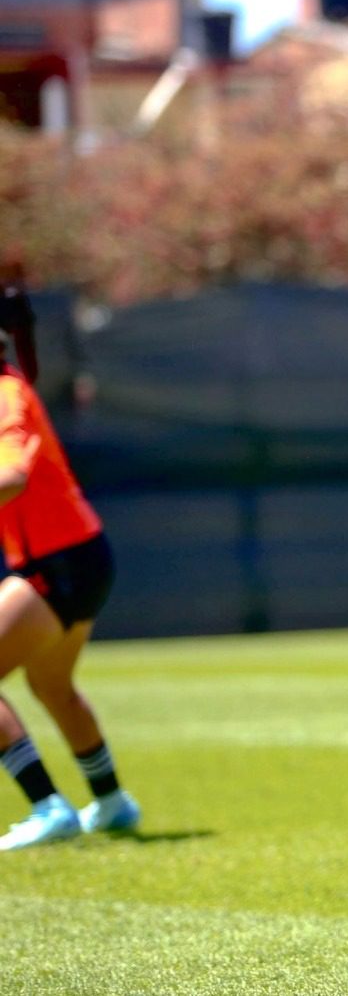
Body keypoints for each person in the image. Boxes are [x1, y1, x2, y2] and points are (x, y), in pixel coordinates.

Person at [0, 280, 138, 851]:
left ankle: (49, 807)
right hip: (79, 554)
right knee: (51, 683)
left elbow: (12, 476)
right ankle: (111, 802)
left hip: (57, 562)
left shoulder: (3, 395)